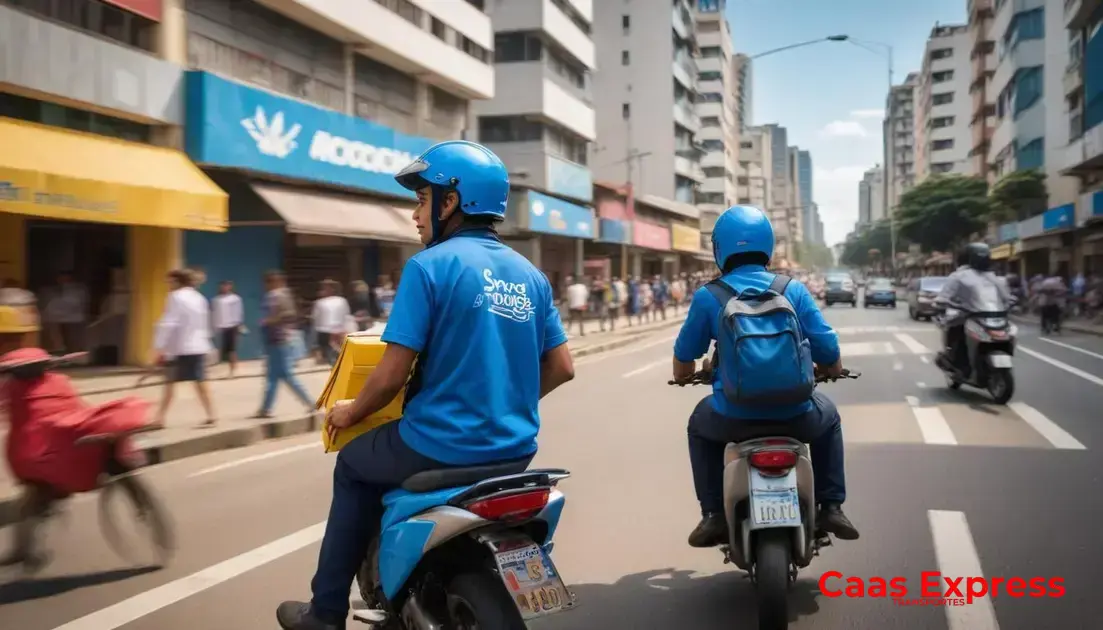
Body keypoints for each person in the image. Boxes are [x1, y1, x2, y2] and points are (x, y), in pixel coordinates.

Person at [275, 140, 576, 630]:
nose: (415, 215)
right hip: (516, 451)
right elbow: (562, 366)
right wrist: (503, 400)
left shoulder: (428, 268)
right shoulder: (532, 275)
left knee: (354, 465)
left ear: (451, 202)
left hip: (438, 445)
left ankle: (325, 613)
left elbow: (393, 373)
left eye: (421, 200)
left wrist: (349, 412)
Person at [670, 205, 858, 548]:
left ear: (720, 249)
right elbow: (826, 344)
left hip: (732, 417)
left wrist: (684, 375)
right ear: (768, 245)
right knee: (829, 418)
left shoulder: (709, 296)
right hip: (797, 415)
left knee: (698, 424)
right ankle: (831, 505)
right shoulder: (793, 290)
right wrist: (831, 368)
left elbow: (684, 356)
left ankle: (712, 514)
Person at [152, 269, 217, 428]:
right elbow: (205, 323)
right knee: (200, 382)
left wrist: (158, 346)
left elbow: (169, 323)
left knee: (169, 383)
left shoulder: (175, 297)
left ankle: (159, 419)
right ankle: (211, 415)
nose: (168, 285)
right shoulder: (199, 297)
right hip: (198, 346)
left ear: (177, 281)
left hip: (179, 348)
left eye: (170, 281)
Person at [935, 243, 1014, 371]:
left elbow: (1005, 295)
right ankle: (956, 362)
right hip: (965, 315)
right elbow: (945, 296)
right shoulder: (958, 276)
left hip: (990, 315)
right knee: (957, 330)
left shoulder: (994, 277)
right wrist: (943, 302)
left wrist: (1010, 301)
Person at [311, 280, 350, 365]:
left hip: (328, 330)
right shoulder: (341, 300)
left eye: (324, 288)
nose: (322, 290)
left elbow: (315, 318)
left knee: (332, 354)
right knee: (335, 353)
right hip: (335, 330)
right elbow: (346, 314)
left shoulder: (320, 302)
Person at [212, 280, 245, 377]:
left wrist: (238, 324)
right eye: (222, 286)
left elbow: (239, 312)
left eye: (227, 286)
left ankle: (233, 369)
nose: (224, 288)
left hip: (232, 326)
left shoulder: (235, 298)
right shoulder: (216, 299)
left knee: (232, 349)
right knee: (221, 348)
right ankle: (221, 368)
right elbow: (214, 313)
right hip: (220, 326)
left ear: (230, 287)